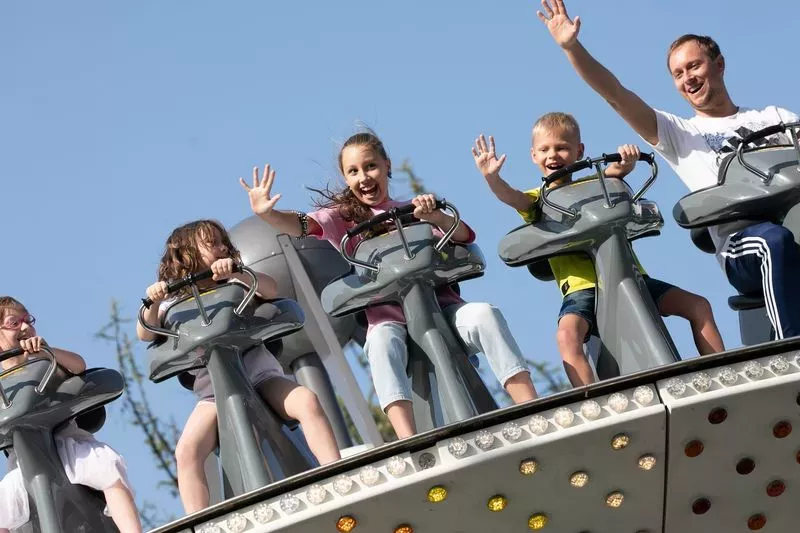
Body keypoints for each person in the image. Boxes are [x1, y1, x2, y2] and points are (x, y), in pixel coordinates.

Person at [240, 131, 538, 439]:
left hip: (441, 311)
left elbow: (463, 236)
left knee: (484, 314)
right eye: (353, 171)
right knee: (380, 345)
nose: (364, 177)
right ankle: (408, 439)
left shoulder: (413, 210)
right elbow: (302, 225)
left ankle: (529, 407)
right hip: (390, 321)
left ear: (387, 166)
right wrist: (269, 214)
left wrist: (435, 216)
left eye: (370, 166)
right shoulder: (343, 220)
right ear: (346, 178)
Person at [536, 0, 800, 339]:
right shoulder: (680, 134)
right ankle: (792, 347)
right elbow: (615, 94)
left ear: (719, 65)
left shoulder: (776, 118)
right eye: (678, 73)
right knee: (774, 241)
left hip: (792, 221)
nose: (688, 77)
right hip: (745, 243)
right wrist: (572, 48)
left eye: (694, 66)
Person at [473, 112, 725, 386]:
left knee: (698, 305)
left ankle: (719, 371)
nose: (553, 155)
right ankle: (589, 398)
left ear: (579, 151)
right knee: (567, 337)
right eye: (544, 149)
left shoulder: (597, 187)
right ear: (534, 155)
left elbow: (614, 173)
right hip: (582, 289)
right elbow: (513, 198)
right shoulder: (540, 199)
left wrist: (626, 162)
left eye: (562, 147)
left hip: (629, 277)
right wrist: (493, 179)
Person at [137, 220, 340, 514]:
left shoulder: (236, 284)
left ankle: (334, 473)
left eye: (223, 242)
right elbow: (145, 332)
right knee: (187, 451)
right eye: (212, 243)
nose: (221, 247)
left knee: (306, 400)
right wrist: (154, 300)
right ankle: (198, 520)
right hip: (213, 394)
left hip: (260, 378)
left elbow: (270, 289)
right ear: (186, 254)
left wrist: (237, 271)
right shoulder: (173, 305)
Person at [0, 296, 141, 533]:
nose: (25, 327)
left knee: (106, 466)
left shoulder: (45, 364)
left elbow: (78, 366)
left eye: (28, 320)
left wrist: (48, 352)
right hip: (23, 462)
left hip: (68, 445)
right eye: (14, 323)